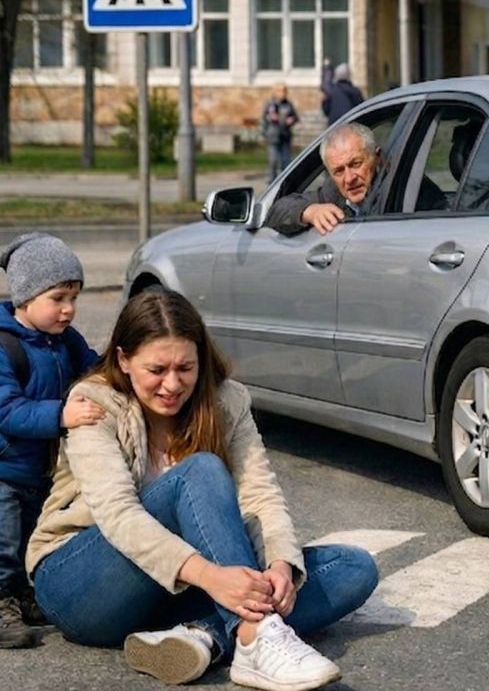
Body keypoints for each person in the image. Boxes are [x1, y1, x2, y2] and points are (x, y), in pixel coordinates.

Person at [26, 289, 378, 688]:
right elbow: (118, 516)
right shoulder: (93, 402)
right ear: (124, 360)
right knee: (201, 471)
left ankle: (203, 636)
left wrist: (280, 564)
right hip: (81, 584)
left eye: (185, 368)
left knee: (351, 568)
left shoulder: (227, 402)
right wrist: (214, 578)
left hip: (172, 590)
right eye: (157, 369)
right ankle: (251, 635)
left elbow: (259, 494)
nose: (172, 384)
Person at [0, 232, 102, 649]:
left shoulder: (64, 340)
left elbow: (95, 367)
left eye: (74, 298)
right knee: (3, 544)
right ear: (25, 296)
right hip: (5, 471)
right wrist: (61, 415)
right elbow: (6, 410)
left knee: (31, 538)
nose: (68, 310)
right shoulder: (5, 346)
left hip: (44, 470)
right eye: (58, 298)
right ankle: (1, 603)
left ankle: (24, 595)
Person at [265, 122, 383, 236]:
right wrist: (308, 212)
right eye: (339, 171)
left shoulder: (396, 189)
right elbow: (276, 212)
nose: (349, 178)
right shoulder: (331, 194)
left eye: (356, 164)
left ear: (377, 157)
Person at [262, 83, 299, 182]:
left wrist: (292, 119)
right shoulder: (270, 104)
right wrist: (265, 131)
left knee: (285, 161)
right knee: (273, 160)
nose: (283, 93)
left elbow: (295, 117)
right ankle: (272, 181)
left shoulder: (288, 104)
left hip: (285, 135)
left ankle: (284, 181)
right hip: (273, 136)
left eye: (284, 91)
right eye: (280, 91)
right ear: (275, 92)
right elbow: (264, 119)